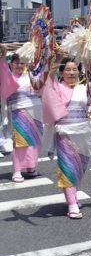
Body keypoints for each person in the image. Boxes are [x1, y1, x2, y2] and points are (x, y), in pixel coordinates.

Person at [42, 56, 91, 219]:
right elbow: (49, 79)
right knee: (68, 167)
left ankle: (73, 196)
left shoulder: (84, 87)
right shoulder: (56, 87)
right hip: (65, 132)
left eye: (75, 69)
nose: (72, 72)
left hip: (83, 132)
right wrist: (56, 60)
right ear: (61, 73)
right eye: (68, 69)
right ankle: (72, 204)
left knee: (80, 167)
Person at [0, 48, 43, 183]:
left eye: (22, 63)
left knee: (34, 140)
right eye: (16, 62)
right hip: (18, 111)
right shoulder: (8, 76)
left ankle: (30, 167)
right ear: (11, 63)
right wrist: (2, 56)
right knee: (20, 142)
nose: (19, 65)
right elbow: (3, 71)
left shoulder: (31, 76)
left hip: (35, 111)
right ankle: (17, 170)